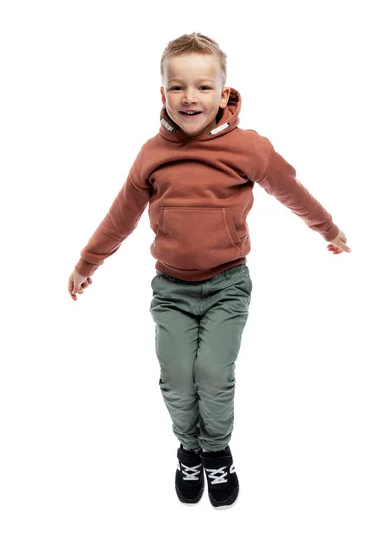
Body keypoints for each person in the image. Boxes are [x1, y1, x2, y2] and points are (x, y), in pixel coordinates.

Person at [68, 32, 351, 510]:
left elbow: (291, 191)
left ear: (223, 94)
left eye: (203, 87)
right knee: (177, 376)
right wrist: (86, 264)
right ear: (162, 95)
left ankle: (217, 452)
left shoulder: (249, 149)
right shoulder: (151, 156)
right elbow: (121, 216)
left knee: (212, 374)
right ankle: (190, 448)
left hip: (226, 285)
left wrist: (328, 229)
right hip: (172, 290)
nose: (189, 97)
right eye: (177, 87)